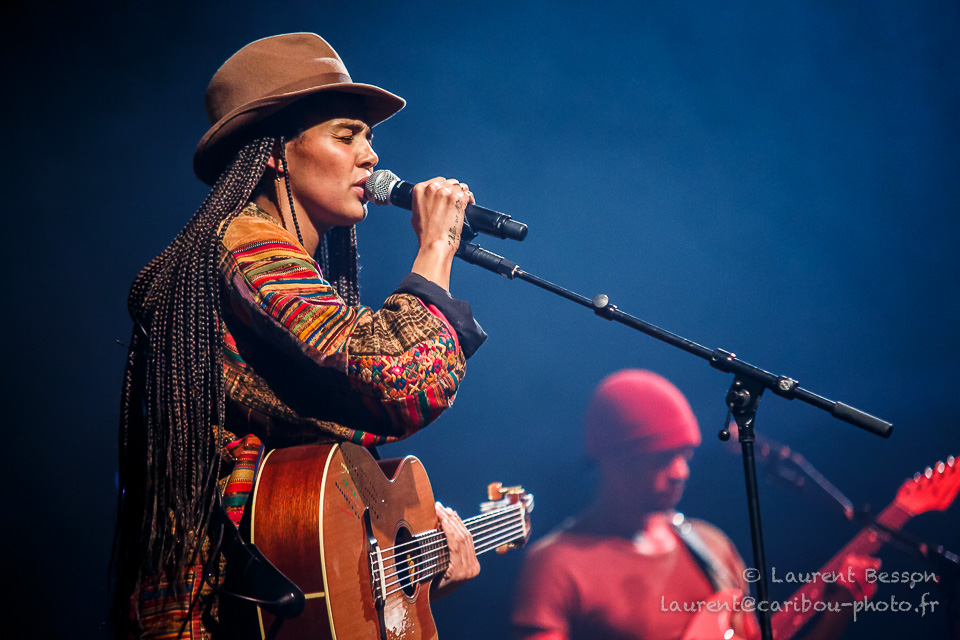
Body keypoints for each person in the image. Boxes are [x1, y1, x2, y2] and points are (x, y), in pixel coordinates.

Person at [113, 33, 484, 639]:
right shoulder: (247, 245)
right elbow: (399, 378)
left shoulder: (281, 263)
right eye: (347, 135)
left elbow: (312, 499)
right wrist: (436, 249)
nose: (371, 158)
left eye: (370, 138)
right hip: (213, 615)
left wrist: (410, 574)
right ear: (276, 154)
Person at [511, 369, 878, 640]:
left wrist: (835, 616)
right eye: (661, 458)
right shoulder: (556, 565)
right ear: (613, 459)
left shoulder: (711, 546)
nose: (681, 472)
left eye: (685, 456)